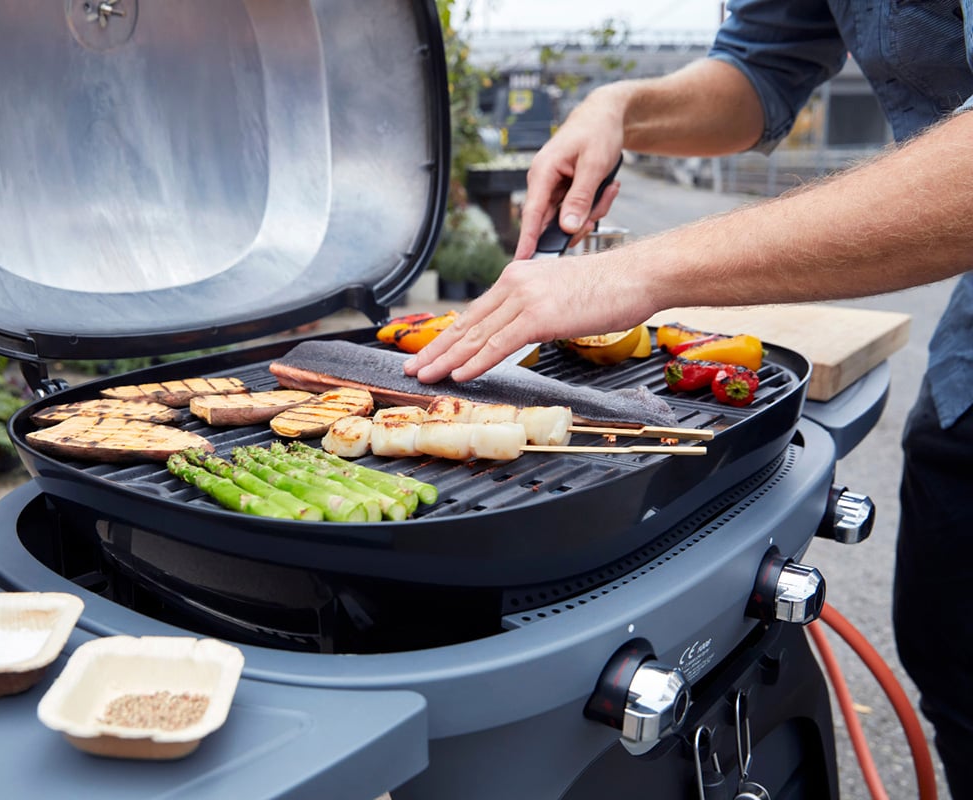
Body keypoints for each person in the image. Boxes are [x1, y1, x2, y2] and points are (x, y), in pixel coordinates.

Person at [404, 1, 973, 795]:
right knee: (957, 666)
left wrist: (632, 273)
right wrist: (621, 108)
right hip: (966, 373)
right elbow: (759, 72)